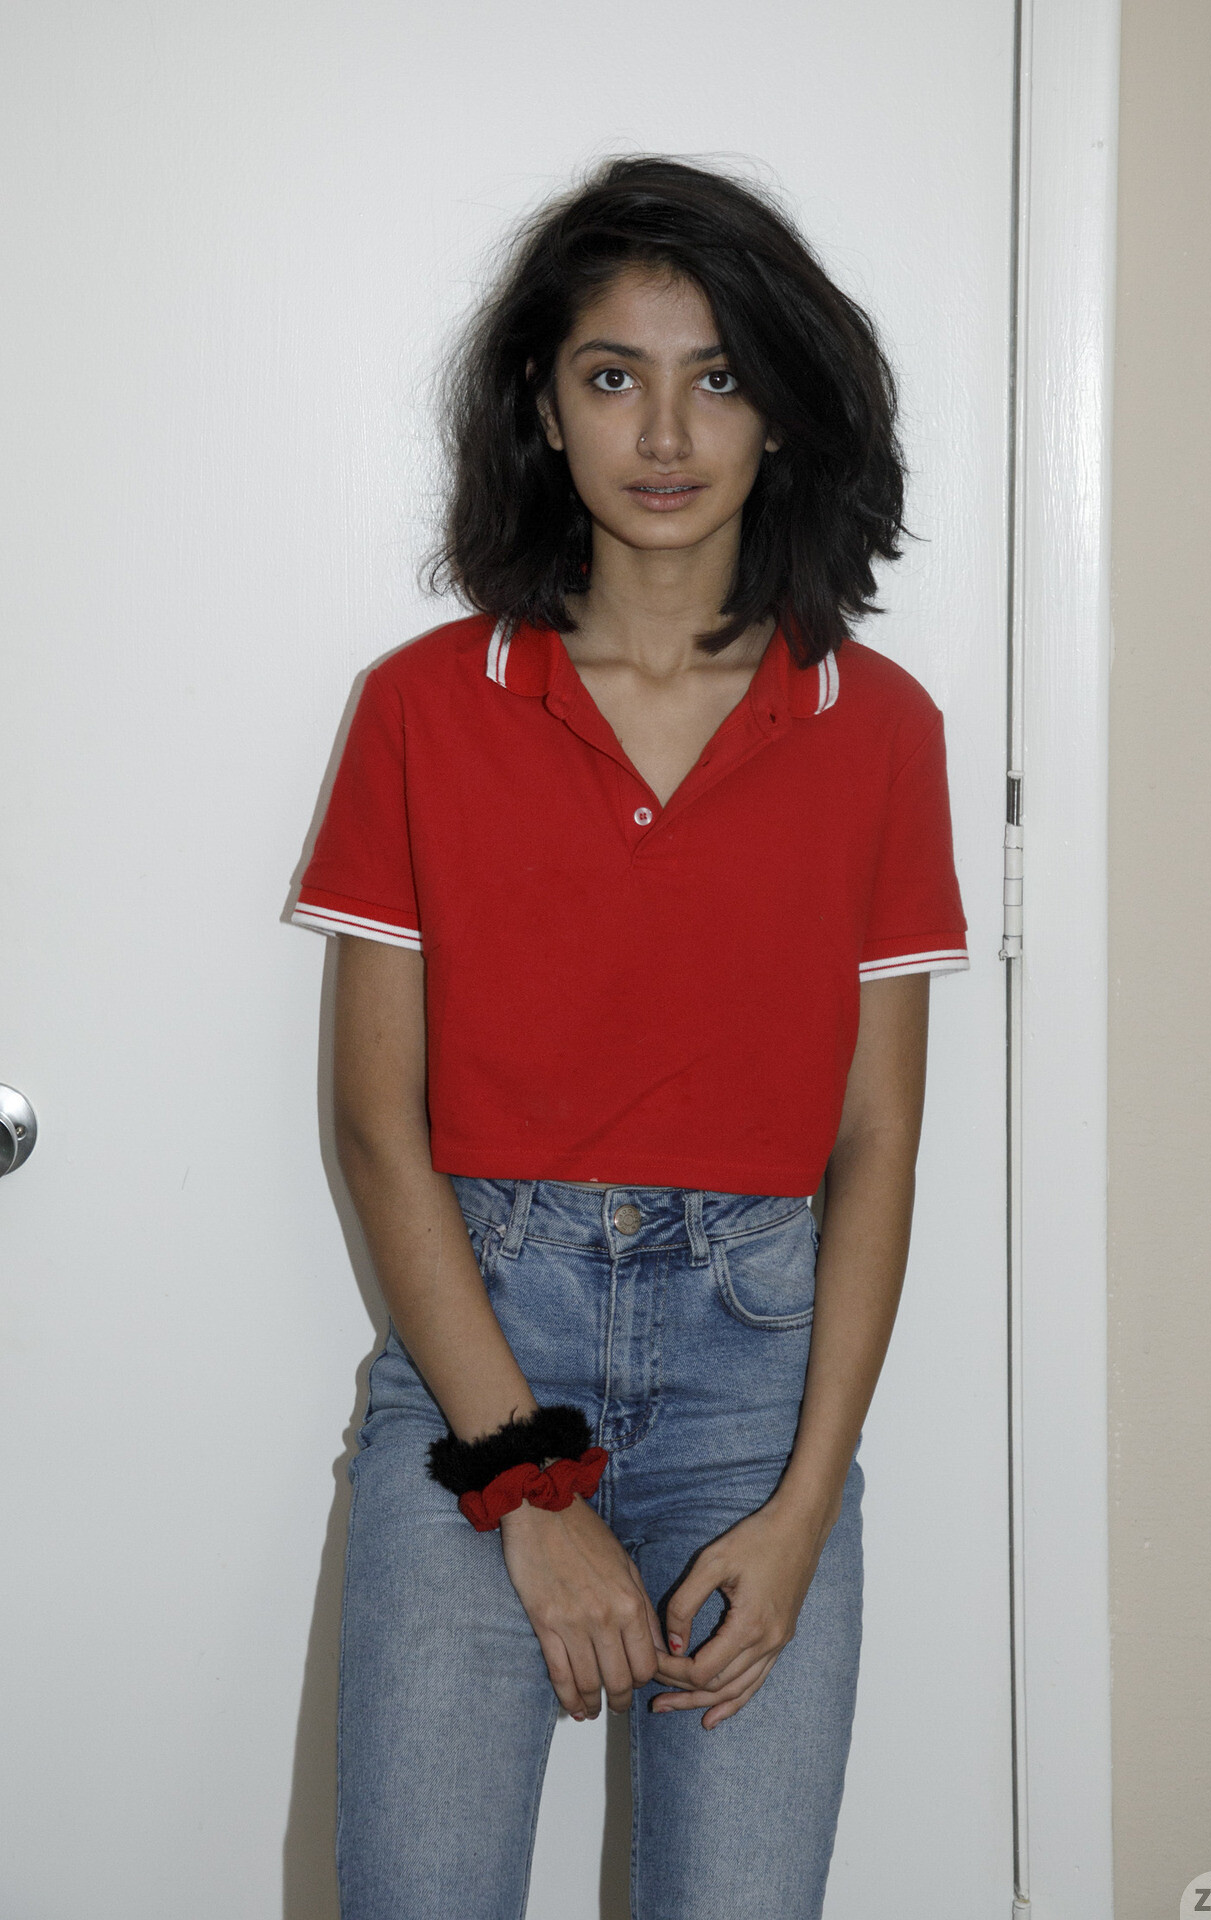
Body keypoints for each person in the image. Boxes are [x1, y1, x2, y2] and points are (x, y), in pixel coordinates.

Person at [291, 154, 968, 1920]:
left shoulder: (879, 727)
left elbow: (878, 1138)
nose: (665, 433)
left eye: (718, 375)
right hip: (480, 1368)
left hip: (760, 1403)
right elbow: (377, 1126)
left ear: (782, 411)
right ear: (544, 405)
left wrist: (807, 1504)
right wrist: (525, 1488)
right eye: (614, 376)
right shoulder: (425, 708)